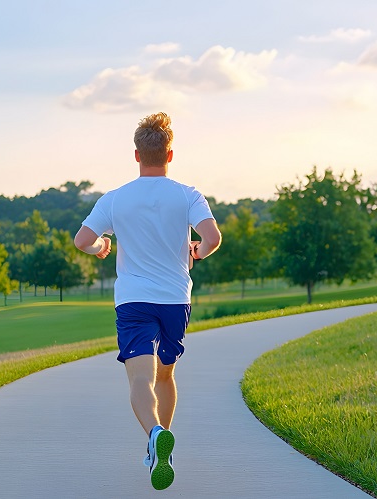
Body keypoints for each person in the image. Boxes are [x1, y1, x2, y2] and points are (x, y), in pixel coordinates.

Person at [74, 112, 221, 491]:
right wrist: (199, 251)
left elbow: (81, 240)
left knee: (141, 376)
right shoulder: (189, 195)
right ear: (170, 155)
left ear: (137, 155)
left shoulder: (115, 198)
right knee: (166, 374)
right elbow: (213, 237)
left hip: (134, 301)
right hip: (175, 299)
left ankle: (156, 434)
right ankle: (163, 448)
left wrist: (99, 247)